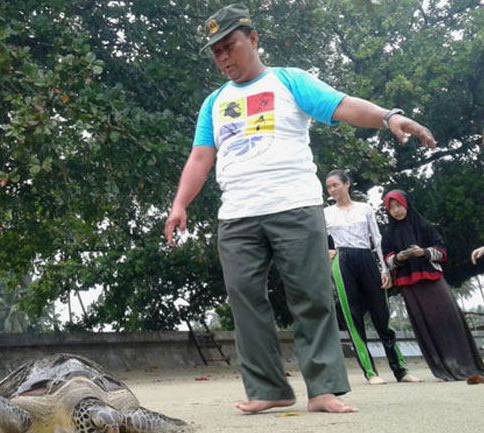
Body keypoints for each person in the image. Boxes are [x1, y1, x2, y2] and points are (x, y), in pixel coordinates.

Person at [164, 3, 436, 414]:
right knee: (244, 299)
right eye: (216, 51)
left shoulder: (289, 81)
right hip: (236, 214)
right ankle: (268, 388)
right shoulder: (214, 103)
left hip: (294, 206)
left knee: (310, 296)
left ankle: (323, 389)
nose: (223, 57)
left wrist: (388, 117)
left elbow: (342, 105)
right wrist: (179, 204)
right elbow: (201, 157)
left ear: (253, 40)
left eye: (229, 46)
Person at [324, 170, 420, 385]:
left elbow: (377, 240)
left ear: (347, 184)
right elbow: (315, 237)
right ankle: (370, 372)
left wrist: (385, 270)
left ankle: (401, 370)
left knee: (381, 315)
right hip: (342, 260)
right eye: (329, 187)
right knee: (353, 317)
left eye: (335, 185)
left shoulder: (364, 208)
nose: (332, 190)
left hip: (366, 258)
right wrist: (325, 251)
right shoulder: (326, 213)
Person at [382, 190, 484, 381]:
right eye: (392, 207)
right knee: (425, 325)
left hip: (432, 280)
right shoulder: (389, 235)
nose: (396, 211)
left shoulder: (423, 225)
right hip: (409, 285)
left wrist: (424, 252)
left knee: (449, 318)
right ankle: (442, 368)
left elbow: (442, 250)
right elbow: (387, 259)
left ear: (407, 205)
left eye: (399, 205)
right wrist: (399, 257)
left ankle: (467, 364)